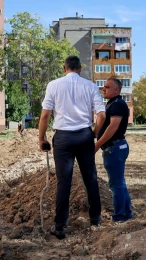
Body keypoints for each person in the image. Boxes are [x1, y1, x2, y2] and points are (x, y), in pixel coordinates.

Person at [38, 55, 106, 240]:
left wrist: (41, 138)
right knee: (90, 178)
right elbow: (101, 115)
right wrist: (94, 133)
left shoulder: (54, 85)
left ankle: (60, 226)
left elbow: (45, 116)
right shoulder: (90, 86)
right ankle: (96, 220)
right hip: (84, 135)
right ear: (80, 68)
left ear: (64, 68)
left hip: (63, 138)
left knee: (64, 182)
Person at [95, 78, 133, 222]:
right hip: (117, 147)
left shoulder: (117, 104)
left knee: (116, 185)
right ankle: (127, 214)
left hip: (114, 148)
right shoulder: (113, 103)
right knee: (120, 183)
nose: (104, 89)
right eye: (104, 87)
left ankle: (119, 218)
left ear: (116, 90)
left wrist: (97, 144)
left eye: (107, 87)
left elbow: (112, 127)